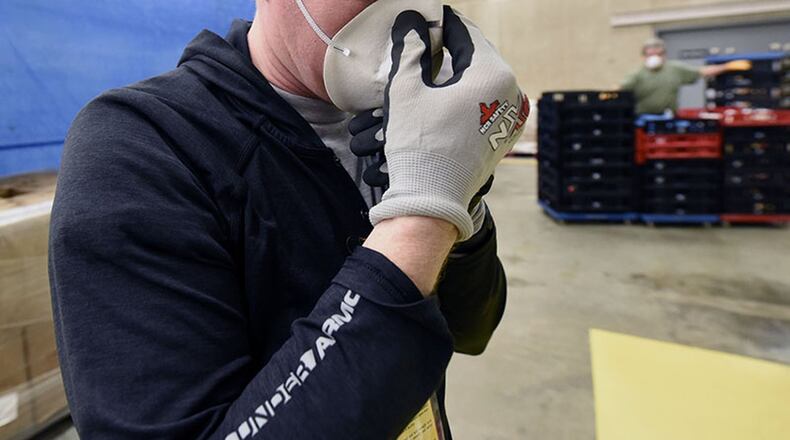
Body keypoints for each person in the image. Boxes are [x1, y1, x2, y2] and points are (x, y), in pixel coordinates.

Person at [48, 1, 528, 439]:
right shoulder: (142, 149)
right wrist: (421, 214)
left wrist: (460, 201)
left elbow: (470, 330)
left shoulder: (396, 126)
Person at [621, 37, 751, 114]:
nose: (655, 57)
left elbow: (701, 71)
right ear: (643, 56)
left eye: (658, 54)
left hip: (668, 118)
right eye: (650, 55)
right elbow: (621, 91)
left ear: (664, 55)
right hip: (641, 120)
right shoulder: (637, 74)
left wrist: (726, 67)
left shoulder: (674, 69)